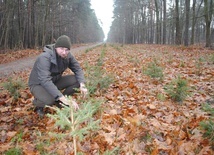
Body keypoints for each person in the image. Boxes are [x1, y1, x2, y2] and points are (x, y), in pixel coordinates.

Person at [28, 35, 88, 117]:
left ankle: (61, 102)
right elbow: (45, 80)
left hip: (54, 81)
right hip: (38, 84)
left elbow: (77, 69)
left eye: (67, 50)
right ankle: (39, 104)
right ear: (56, 47)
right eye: (61, 49)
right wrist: (61, 97)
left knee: (78, 80)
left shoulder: (68, 56)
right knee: (50, 100)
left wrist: (82, 84)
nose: (64, 52)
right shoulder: (44, 58)